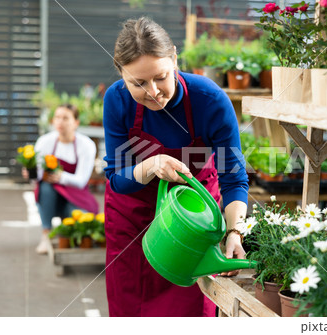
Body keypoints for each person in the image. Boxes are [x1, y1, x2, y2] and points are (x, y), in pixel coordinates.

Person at [103, 17, 249, 317]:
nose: (153, 91)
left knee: (190, 311)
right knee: (130, 311)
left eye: (161, 76)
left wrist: (234, 232)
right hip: (132, 219)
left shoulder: (209, 101)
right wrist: (151, 166)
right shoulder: (116, 101)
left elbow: (233, 179)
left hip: (192, 221)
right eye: (138, 83)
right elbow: (116, 178)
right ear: (121, 75)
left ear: (174, 59)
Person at [31, 104, 99, 254]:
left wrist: (60, 177)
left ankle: (68, 232)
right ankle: (46, 234)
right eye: (57, 117)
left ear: (76, 122)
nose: (60, 122)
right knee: (45, 186)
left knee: (79, 222)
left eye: (66, 118)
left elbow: (81, 181)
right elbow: (38, 175)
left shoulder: (86, 144)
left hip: (76, 195)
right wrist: (31, 173)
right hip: (51, 195)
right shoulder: (44, 142)